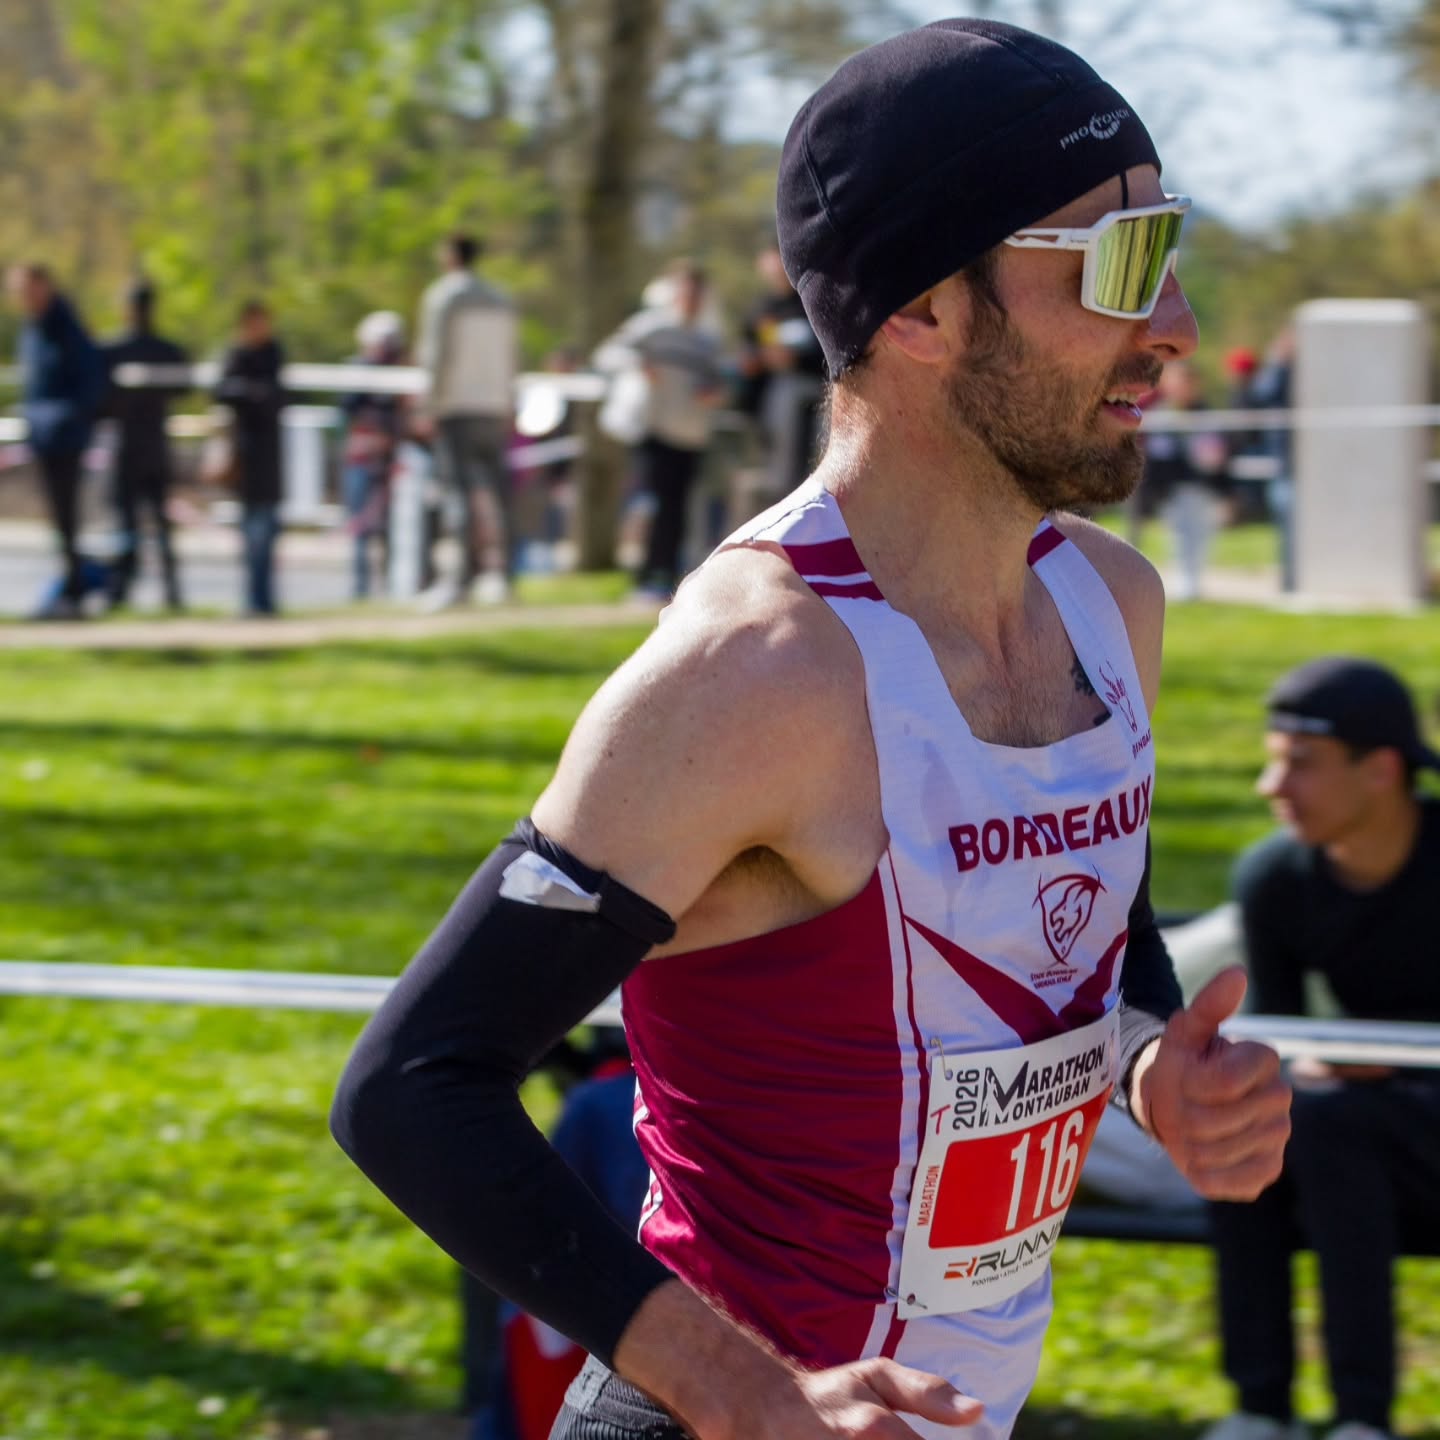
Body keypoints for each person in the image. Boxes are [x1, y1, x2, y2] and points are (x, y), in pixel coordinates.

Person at [331, 21, 1291, 1440]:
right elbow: (413, 1088)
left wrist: (1155, 1066)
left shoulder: (1110, 606)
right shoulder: (757, 670)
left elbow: (1091, 939)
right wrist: (743, 1390)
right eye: (1122, 263)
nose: (1182, 325)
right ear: (920, 310)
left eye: (1171, 247)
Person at [1202, 657, 1440, 1440]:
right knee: (1253, 1124)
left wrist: (1396, 1062)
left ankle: (1360, 1417)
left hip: (1407, 1123)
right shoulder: (1276, 878)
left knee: (1329, 1124)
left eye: (1299, 765)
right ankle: (1260, 1410)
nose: (1273, 787)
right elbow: (1280, 1031)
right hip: (1359, 1128)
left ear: (1381, 770)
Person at [593, 260, 725, 598]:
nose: (690, 299)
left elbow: (722, 382)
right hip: (654, 429)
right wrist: (641, 366)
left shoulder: (707, 341)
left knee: (677, 509)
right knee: (651, 503)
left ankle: (666, 575)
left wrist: (714, 392)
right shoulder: (651, 328)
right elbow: (607, 355)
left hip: (690, 433)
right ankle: (644, 574)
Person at [415, 232, 519, 607]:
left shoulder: (444, 297)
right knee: (498, 494)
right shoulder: (501, 298)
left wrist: (429, 405)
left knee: (457, 493)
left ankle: (457, 579)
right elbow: (511, 354)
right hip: (493, 403)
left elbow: (436, 355)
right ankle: (504, 576)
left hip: (458, 405)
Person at [6, 262, 107, 619]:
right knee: (61, 521)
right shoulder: (34, 329)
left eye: (27, 288)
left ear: (45, 286)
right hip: (46, 437)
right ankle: (73, 586)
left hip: (65, 438)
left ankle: (76, 589)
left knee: (69, 519)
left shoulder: (66, 327)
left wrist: (61, 419)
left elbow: (89, 382)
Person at [101, 278, 190, 611]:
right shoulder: (159, 350)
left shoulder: (118, 351)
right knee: (140, 525)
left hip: (137, 446)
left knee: (134, 524)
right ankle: (147, 591)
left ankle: (133, 591)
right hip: (146, 446)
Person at [215, 300, 287, 616]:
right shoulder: (236, 355)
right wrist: (252, 394)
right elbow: (222, 391)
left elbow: (274, 398)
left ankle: (265, 599)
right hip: (244, 457)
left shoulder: (274, 355)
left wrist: (251, 395)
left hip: (268, 458)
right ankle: (252, 599)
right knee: (250, 534)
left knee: (266, 532)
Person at [738, 246, 827, 500]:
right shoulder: (760, 309)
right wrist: (758, 360)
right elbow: (748, 353)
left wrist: (794, 359)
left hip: (814, 401)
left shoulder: (811, 303)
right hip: (771, 409)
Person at [1140, 359, 1229, 601]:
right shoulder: (1162, 415)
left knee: (1201, 534)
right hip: (1173, 488)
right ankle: (1184, 581)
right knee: (1179, 534)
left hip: (1202, 486)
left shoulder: (1206, 414)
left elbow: (1217, 454)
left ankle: (1195, 580)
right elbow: (1157, 456)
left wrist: (1223, 488)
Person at [340, 310, 408, 600]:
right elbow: (347, 409)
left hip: (391, 460)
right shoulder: (359, 370)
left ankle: (393, 585)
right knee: (359, 524)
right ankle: (360, 588)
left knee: (392, 524)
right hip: (361, 458)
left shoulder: (401, 373)